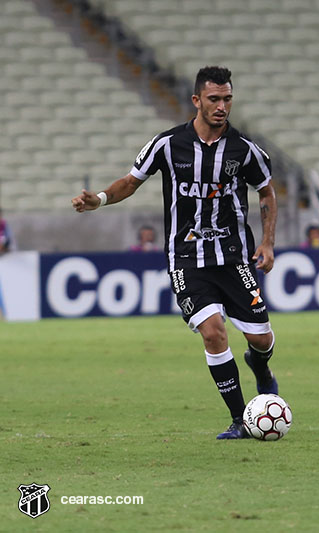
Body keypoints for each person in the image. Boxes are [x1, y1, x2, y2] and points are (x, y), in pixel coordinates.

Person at [72, 66, 279, 440]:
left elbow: (266, 192)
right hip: (186, 260)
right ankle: (239, 420)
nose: (221, 106)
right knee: (213, 333)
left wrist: (266, 242)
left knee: (261, 339)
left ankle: (261, 367)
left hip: (233, 257)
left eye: (227, 99)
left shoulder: (244, 150)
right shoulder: (167, 144)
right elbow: (131, 182)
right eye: (214, 99)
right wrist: (99, 199)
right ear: (197, 100)